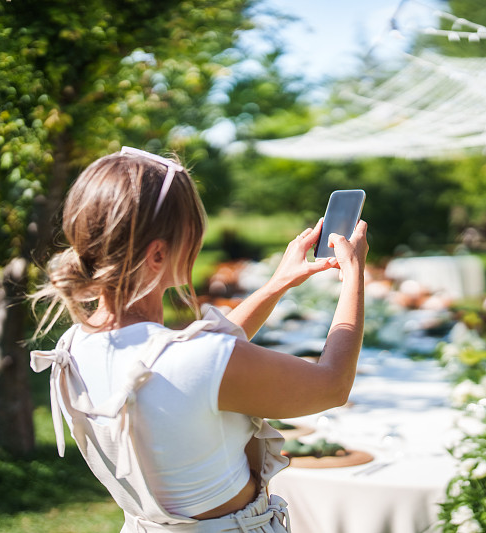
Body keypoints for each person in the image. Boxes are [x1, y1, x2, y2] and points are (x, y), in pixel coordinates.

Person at [29, 146, 368, 532]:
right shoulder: (197, 360)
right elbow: (333, 385)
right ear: (158, 254)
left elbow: (199, 361)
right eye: (193, 230)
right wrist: (355, 276)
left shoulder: (73, 347)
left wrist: (276, 284)